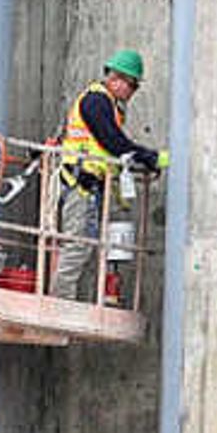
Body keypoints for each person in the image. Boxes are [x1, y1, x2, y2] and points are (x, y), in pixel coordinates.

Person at [55, 49, 166, 299]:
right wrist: (149, 157)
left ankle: (68, 299)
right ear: (117, 78)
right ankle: (60, 301)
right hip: (79, 183)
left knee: (85, 246)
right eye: (132, 85)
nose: (132, 92)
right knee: (76, 246)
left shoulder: (109, 104)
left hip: (90, 186)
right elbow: (112, 141)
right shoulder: (96, 101)